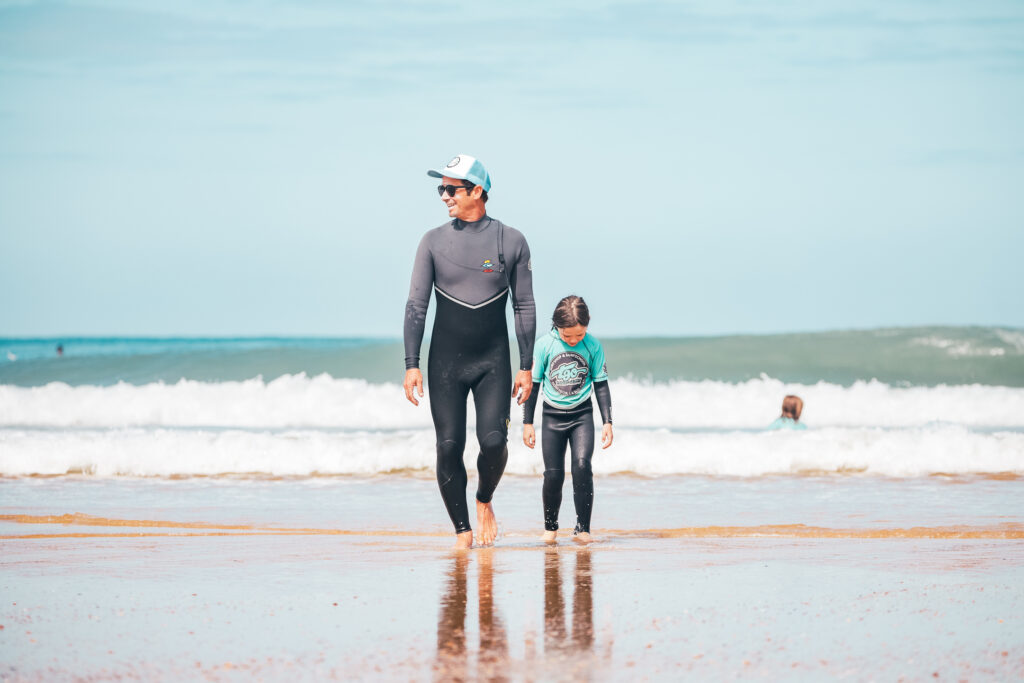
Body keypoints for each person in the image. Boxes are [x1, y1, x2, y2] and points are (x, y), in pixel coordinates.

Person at [403, 154, 536, 549]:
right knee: (448, 446)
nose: (444, 196)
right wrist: (411, 364)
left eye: (451, 189)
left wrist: (526, 366)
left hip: (493, 361)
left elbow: (524, 306)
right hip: (445, 362)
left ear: (477, 191)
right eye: (441, 188)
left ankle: (483, 499)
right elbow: (416, 305)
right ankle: (462, 533)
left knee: (494, 442)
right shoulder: (432, 242)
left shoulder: (511, 241)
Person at [522, 295, 612, 544]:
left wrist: (608, 422)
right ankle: (550, 528)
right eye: (567, 335)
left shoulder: (593, 346)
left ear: (588, 323)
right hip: (551, 418)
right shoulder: (544, 345)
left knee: (582, 466)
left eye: (579, 335)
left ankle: (583, 529)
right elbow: (534, 386)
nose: (573, 340)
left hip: (582, 415)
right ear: (556, 325)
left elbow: (601, 385)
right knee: (553, 474)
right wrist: (527, 423)